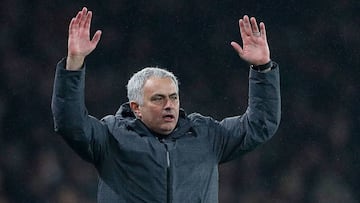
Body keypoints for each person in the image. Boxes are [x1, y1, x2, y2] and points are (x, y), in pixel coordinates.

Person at [51, 7, 281, 203]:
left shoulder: (205, 135)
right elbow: (70, 123)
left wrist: (262, 69)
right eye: (158, 98)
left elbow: (260, 124)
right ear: (136, 107)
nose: (169, 105)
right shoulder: (111, 137)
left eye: (173, 97)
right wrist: (74, 63)